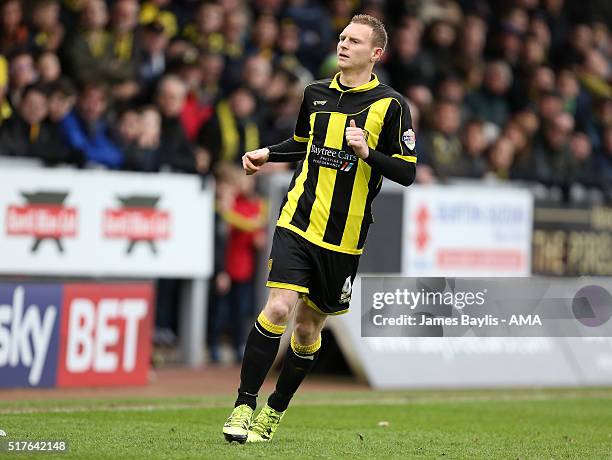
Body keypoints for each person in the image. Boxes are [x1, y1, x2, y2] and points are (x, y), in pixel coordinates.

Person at [222, 14, 416, 444]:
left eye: (355, 41)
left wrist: (367, 153)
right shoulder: (314, 93)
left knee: (308, 330)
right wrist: (267, 153)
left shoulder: (391, 105)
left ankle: (274, 411)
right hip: (299, 218)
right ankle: (243, 405)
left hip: (344, 238)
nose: (344, 44)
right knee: (277, 308)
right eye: (342, 37)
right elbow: (304, 142)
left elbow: (407, 172)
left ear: (375, 54)